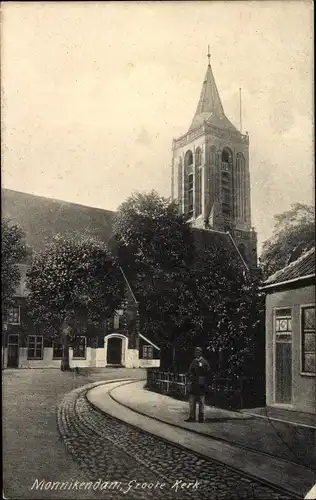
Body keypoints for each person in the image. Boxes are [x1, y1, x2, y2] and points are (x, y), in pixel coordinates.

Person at [185, 347, 210, 423]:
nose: (196, 353)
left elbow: (208, 372)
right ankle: (192, 417)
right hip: (194, 384)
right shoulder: (193, 362)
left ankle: (201, 418)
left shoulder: (205, 362)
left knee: (201, 402)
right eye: (195, 352)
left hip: (201, 384)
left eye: (198, 352)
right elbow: (189, 371)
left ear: (200, 353)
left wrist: (205, 380)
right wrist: (190, 376)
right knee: (192, 401)